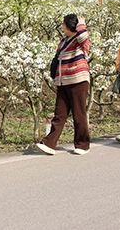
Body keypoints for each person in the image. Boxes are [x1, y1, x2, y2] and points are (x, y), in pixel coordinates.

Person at [36, 14, 91, 156]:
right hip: (63, 81)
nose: (62, 27)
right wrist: (57, 80)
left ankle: (83, 145)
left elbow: (83, 38)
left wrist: (81, 24)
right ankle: (49, 143)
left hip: (78, 80)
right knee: (59, 114)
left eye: (64, 25)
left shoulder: (79, 41)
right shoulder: (63, 41)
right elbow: (58, 60)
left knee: (79, 114)